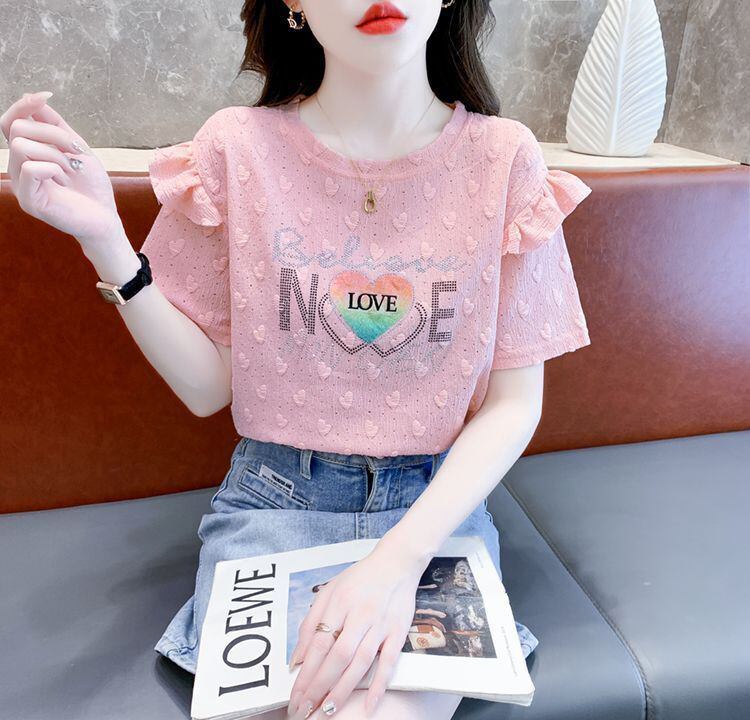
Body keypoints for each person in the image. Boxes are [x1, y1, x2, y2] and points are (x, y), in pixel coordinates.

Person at [0, 0, 594, 717]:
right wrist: (105, 241)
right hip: (275, 504)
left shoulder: (504, 160)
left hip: (434, 513)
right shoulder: (236, 149)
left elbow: (513, 405)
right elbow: (206, 388)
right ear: (293, 4)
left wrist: (397, 562)